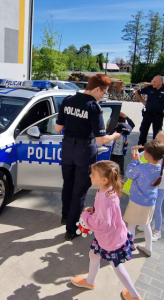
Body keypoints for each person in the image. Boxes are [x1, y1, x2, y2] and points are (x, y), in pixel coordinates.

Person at [55, 74, 121, 241]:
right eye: (104, 92)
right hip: (85, 150)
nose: (103, 96)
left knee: (68, 184)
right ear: (98, 89)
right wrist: (114, 136)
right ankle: (71, 229)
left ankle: (65, 215)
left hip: (68, 147)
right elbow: (101, 140)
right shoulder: (93, 107)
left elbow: (57, 128)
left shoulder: (68, 100)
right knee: (80, 190)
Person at [71, 161, 141, 300]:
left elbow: (103, 224)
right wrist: (94, 211)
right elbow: (105, 215)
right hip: (109, 236)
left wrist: (86, 215)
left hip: (109, 239)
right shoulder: (107, 190)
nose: (90, 175)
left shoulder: (105, 198)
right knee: (93, 254)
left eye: (93, 174)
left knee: (117, 267)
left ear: (104, 179)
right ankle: (90, 281)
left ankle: (134, 295)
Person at [123, 140, 164, 257]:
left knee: (131, 224)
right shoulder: (159, 167)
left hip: (136, 201)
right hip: (150, 202)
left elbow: (129, 174)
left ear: (148, 155)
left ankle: (128, 247)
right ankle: (148, 247)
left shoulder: (141, 167)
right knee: (146, 224)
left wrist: (133, 161)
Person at [135, 131, 164, 241]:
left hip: (161, 187)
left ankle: (157, 231)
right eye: (155, 139)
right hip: (150, 185)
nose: (155, 142)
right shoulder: (151, 151)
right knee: (148, 206)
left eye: (159, 141)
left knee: (157, 208)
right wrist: (135, 151)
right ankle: (148, 225)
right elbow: (139, 155)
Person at [136, 75, 164, 147]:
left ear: (160, 82)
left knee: (157, 135)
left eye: (155, 82)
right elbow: (137, 92)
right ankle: (140, 149)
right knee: (143, 132)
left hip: (158, 115)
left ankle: (155, 150)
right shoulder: (150, 88)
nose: (153, 83)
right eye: (153, 81)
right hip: (148, 114)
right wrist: (143, 101)